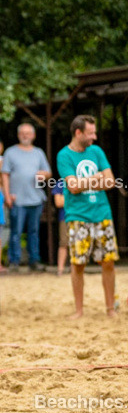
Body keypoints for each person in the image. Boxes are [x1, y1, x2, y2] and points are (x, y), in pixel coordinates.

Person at [58, 115, 120, 318]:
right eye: (90, 133)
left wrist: (83, 182)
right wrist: (95, 178)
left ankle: (110, 308)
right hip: (77, 216)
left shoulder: (97, 151)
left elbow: (110, 182)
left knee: (108, 261)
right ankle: (79, 310)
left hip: (102, 213)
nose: (94, 136)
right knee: (78, 264)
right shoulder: (64, 156)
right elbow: (73, 188)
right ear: (78, 133)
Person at [2, 123, 51, 271]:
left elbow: (48, 173)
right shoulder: (10, 152)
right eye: (22, 133)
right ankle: (14, 262)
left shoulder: (39, 153)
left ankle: (34, 260)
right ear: (18, 135)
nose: (25, 135)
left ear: (33, 136)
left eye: (28, 133)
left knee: (34, 232)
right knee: (16, 231)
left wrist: (43, 175)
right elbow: (5, 175)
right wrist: (7, 195)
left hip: (35, 199)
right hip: (17, 200)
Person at [52, 178, 68, 276]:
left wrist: (65, 198)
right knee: (63, 243)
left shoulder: (82, 180)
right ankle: (60, 269)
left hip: (80, 217)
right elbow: (58, 202)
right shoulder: (61, 183)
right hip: (65, 217)